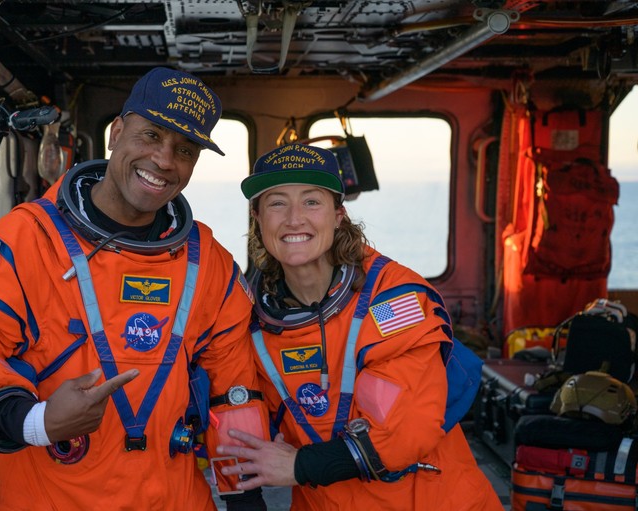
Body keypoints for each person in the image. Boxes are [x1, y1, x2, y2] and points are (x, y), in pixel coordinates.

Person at [0, 67, 269, 511]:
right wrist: (37, 421)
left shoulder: (208, 261)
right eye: (150, 135)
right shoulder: (25, 242)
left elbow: (234, 390)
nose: (164, 160)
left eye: (184, 149)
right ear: (117, 132)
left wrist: (246, 498)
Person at [215, 143, 503, 510]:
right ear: (257, 216)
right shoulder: (250, 319)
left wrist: (301, 465)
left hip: (428, 498)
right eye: (276, 203)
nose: (293, 218)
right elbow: (236, 414)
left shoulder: (392, 297)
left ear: (338, 215)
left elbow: (407, 428)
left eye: (312, 201)